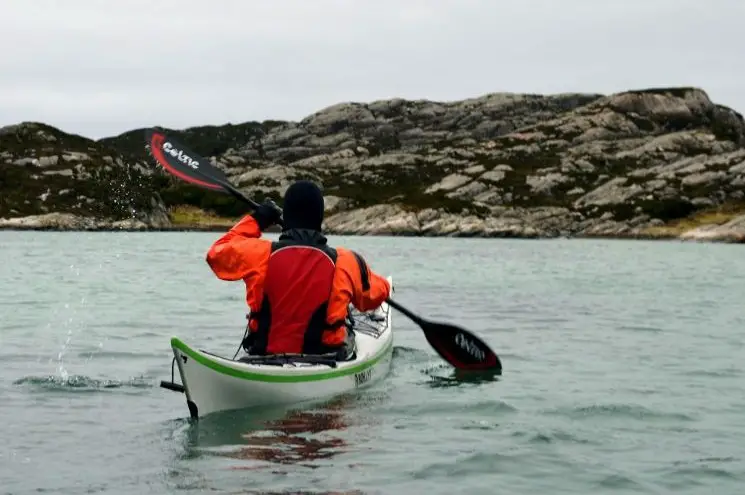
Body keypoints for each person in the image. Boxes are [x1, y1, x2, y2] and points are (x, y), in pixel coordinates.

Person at [205, 180, 391, 360]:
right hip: (326, 357)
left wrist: (257, 220)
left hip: (262, 355)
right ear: (320, 218)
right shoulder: (347, 261)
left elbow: (216, 254)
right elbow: (374, 296)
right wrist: (365, 281)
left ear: (287, 216)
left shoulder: (258, 253)